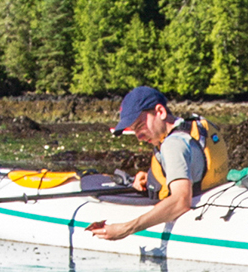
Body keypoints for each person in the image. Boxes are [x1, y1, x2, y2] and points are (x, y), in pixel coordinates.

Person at [88, 85, 227, 243]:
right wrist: (152, 178)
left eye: (140, 126)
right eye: (134, 130)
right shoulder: (191, 130)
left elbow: (180, 201)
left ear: (160, 112)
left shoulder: (172, 144)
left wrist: (125, 229)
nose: (139, 137)